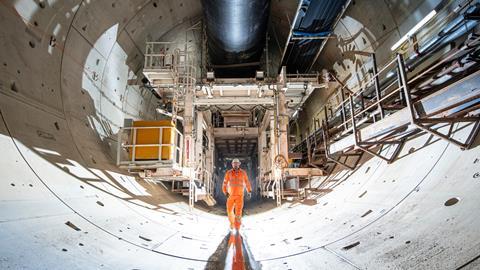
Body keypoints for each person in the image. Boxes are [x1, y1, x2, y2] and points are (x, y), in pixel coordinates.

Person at [222, 158, 252, 233]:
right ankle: (232, 225)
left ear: (239, 164)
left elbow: (247, 182)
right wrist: (225, 192)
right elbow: (224, 184)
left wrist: (249, 191)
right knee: (229, 211)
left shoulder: (243, 173)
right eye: (234, 163)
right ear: (232, 164)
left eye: (236, 163)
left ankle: (237, 227)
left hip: (239, 196)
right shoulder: (228, 173)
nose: (235, 164)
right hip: (230, 196)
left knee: (238, 212)